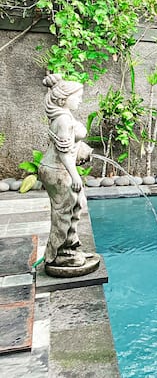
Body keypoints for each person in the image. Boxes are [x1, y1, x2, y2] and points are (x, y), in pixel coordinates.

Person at [39, 74, 94, 270]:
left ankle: (70, 247)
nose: (80, 100)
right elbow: (63, 153)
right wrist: (75, 175)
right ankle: (57, 254)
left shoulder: (64, 115)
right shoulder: (62, 120)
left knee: (77, 203)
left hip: (61, 169)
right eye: (77, 96)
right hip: (58, 170)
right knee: (63, 211)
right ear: (63, 99)